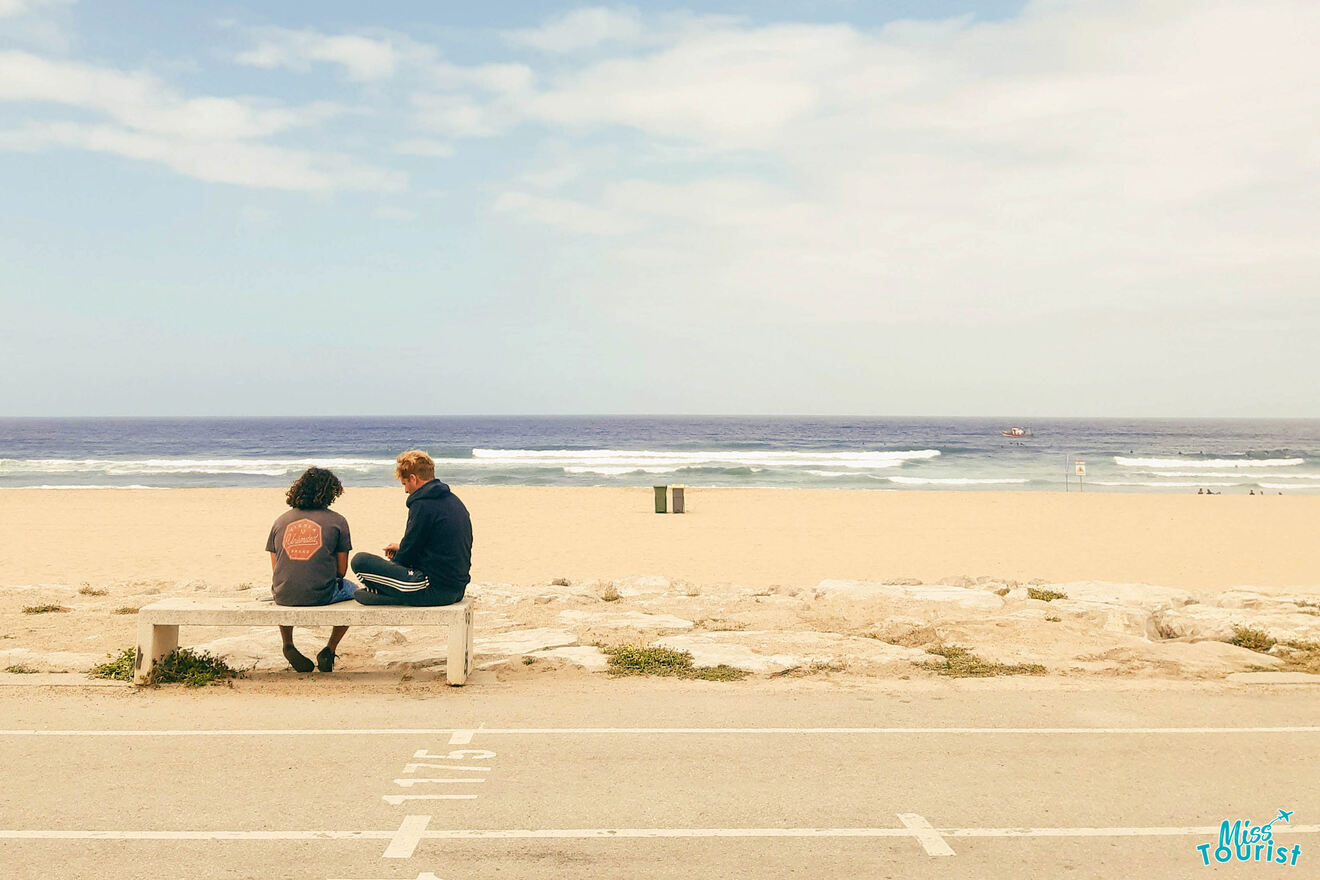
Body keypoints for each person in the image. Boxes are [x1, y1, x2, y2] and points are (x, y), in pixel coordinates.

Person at [351, 449, 472, 607]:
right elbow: (437, 546)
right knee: (365, 589)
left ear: (413, 479)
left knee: (359, 561)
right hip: (456, 588)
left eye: (405, 483)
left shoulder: (423, 504)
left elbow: (407, 556)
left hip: (433, 588)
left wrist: (397, 559)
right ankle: (391, 593)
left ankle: (396, 596)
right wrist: (401, 548)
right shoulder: (453, 500)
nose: (406, 490)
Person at [265, 467, 356, 673]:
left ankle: (288, 645)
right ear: (330, 493)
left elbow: (276, 568)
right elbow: (341, 571)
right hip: (321, 594)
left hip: (283, 594)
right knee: (354, 592)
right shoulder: (338, 521)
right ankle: (330, 649)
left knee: (285, 585)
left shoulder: (280, 521)